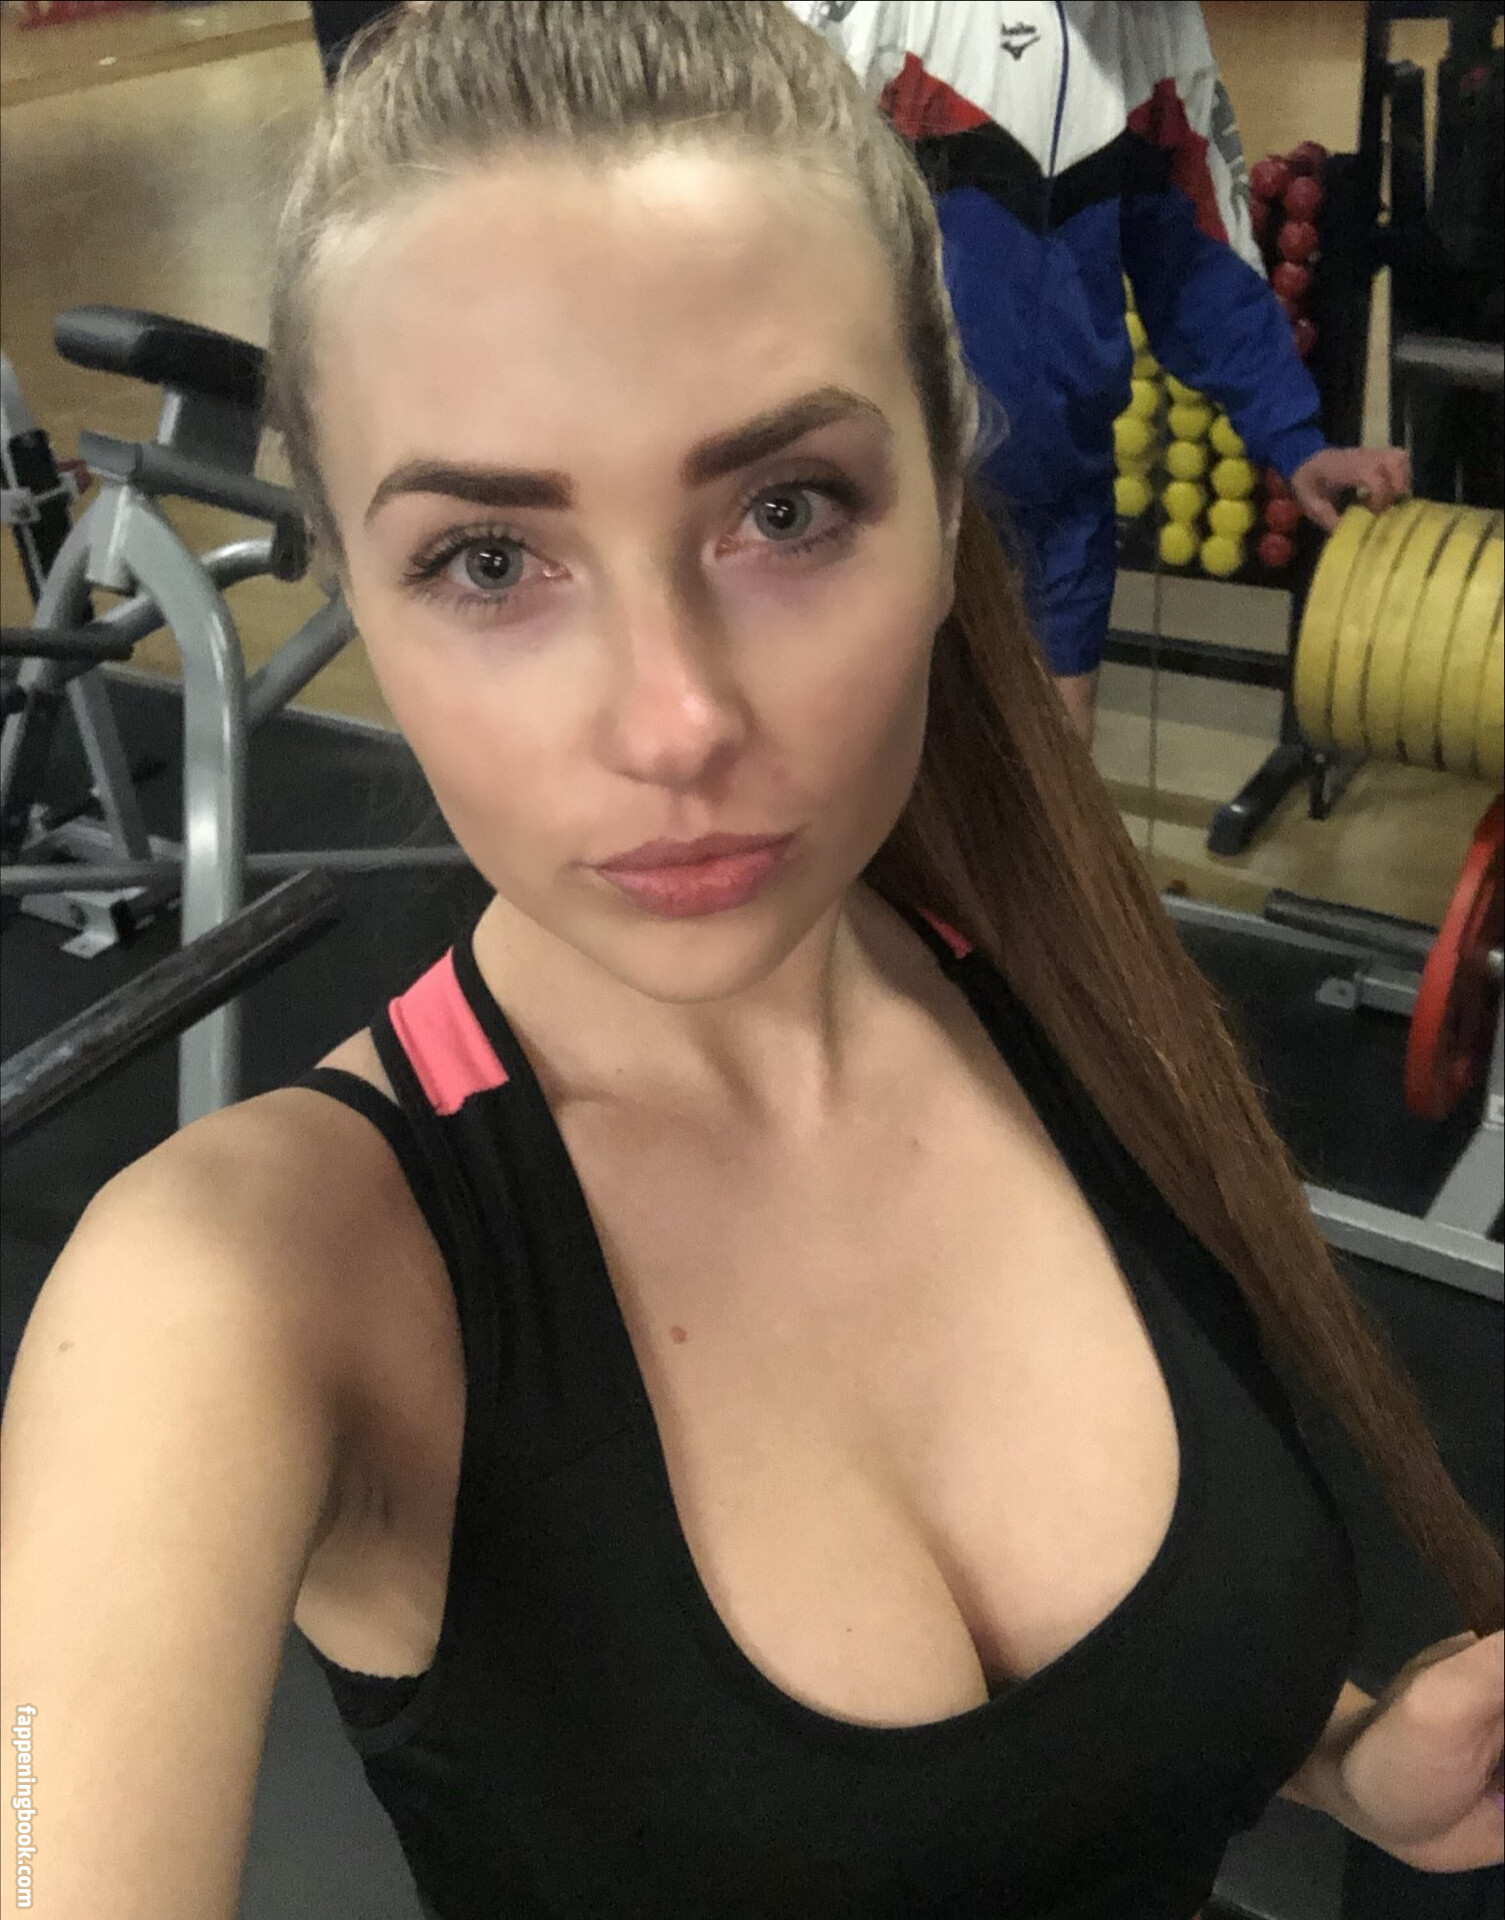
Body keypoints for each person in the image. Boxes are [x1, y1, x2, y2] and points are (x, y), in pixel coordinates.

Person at [2, 6, 1499, 1920]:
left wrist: (1358, 1767)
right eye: (488, 560)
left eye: (785, 513)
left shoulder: (1057, 981)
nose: (677, 722)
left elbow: (1087, 1722)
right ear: (357, 585)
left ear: (944, 499)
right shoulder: (232, 1291)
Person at [786, 0, 1412, 745]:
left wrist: (1297, 439)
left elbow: (1195, 261)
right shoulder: (868, 16)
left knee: (1056, 775)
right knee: (879, 773)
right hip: (878, 500)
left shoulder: (1155, 27)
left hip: (1061, 499)